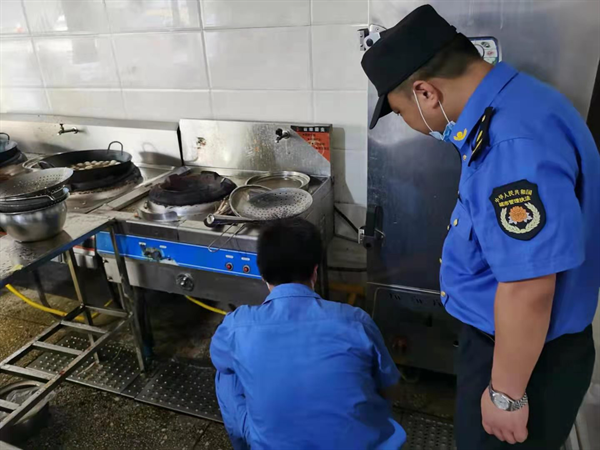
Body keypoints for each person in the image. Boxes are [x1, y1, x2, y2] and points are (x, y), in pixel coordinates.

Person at [361, 5, 599, 450]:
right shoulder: (522, 103)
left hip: (523, 361)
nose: (411, 125)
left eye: (401, 111)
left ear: (426, 93)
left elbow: (529, 288)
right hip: (519, 348)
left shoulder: (511, 143)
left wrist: (506, 395)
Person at [210, 218, 406, 450]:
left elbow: (218, 358)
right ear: (315, 271)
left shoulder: (237, 326)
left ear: (262, 275)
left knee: (226, 374)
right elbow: (391, 388)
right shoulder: (356, 321)